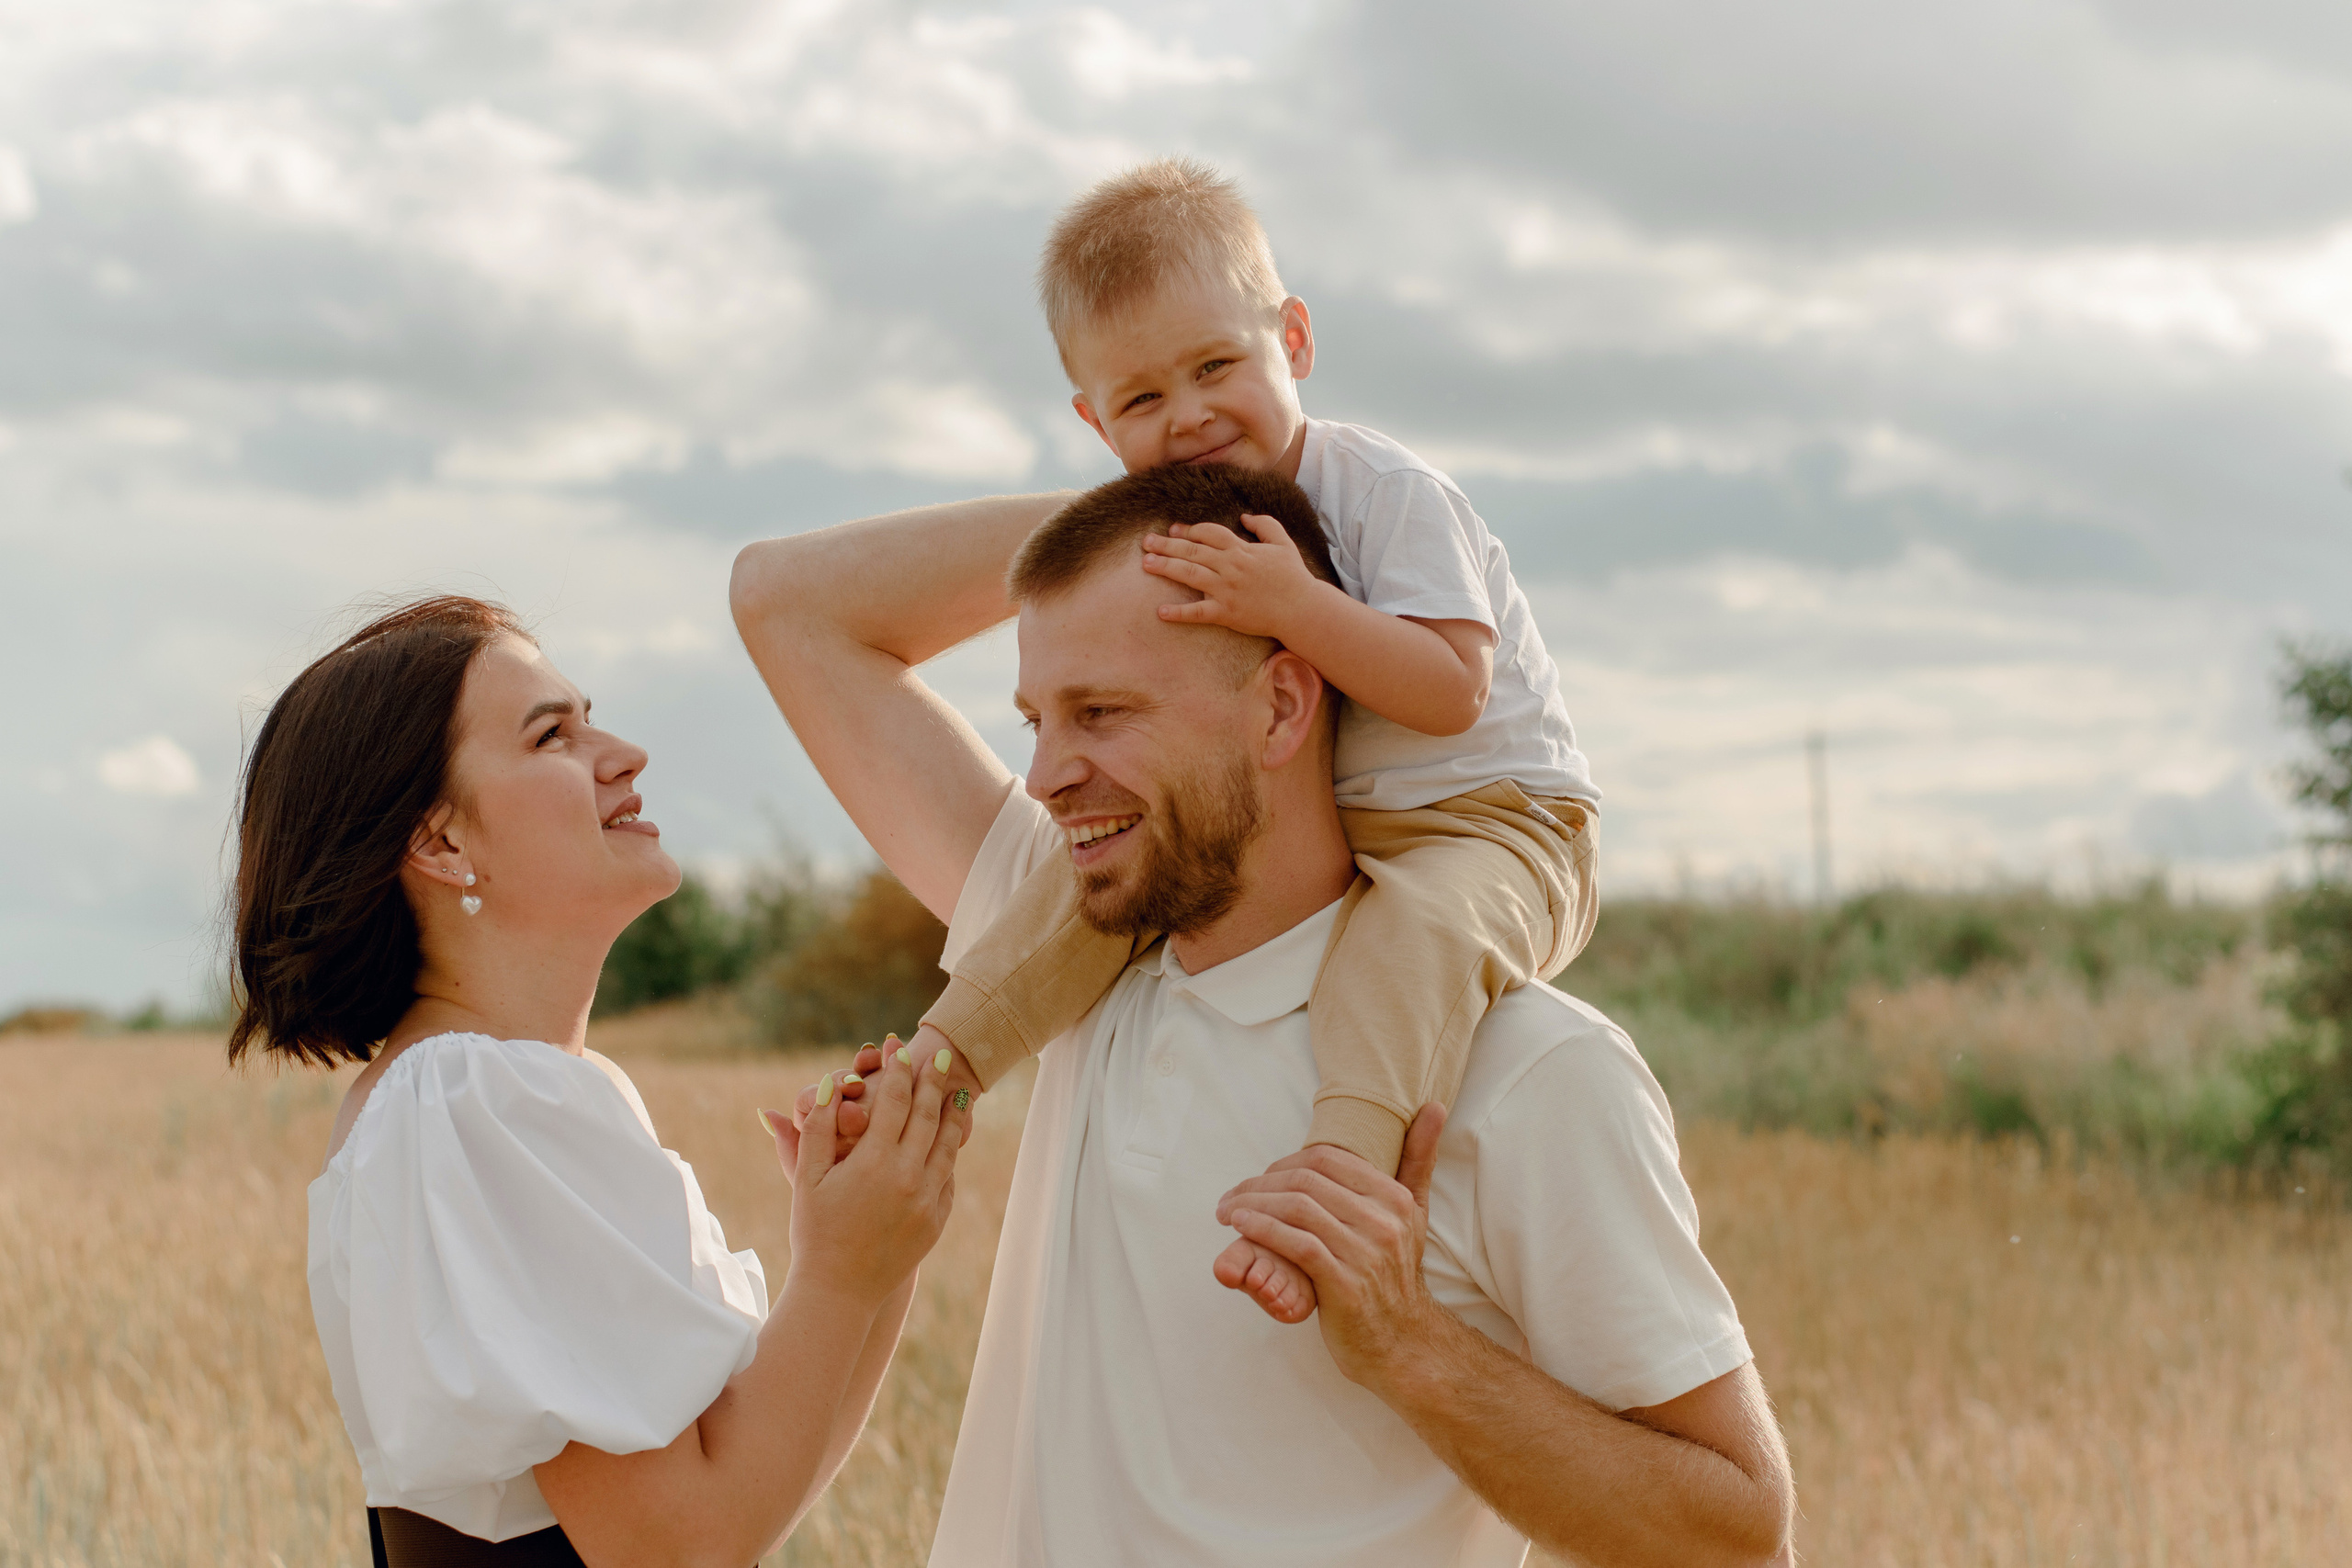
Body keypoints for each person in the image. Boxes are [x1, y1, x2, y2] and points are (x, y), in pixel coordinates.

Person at [731, 468, 1796, 1565]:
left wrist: (1412, 1349)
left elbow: (1738, 1533)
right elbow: (785, 601)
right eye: (1036, 721)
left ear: (1283, 705)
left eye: (1103, 712)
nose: (1048, 776)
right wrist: (1183, 468)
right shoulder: (1069, 950)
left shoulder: (1529, 1069)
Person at [881, 158, 1601, 1321]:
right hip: (1339, 824)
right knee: (1100, 885)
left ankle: (1345, 1179)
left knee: (1409, 937)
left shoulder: (1384, 491)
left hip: (1497, 820)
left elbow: (1450, 689)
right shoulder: (1183, 531)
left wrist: (1296, 607)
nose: (1190, 416)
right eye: (1142, 400)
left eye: (1216, 366)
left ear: (1294, 340)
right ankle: (935, 1070)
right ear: (1093, 422)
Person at [228, 595, 963, 1567]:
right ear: (441, 843)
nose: (621, 754)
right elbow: (682, 1548)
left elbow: (750, 1503)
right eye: (552, 736)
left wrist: (880, 1245)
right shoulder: (472, 1105)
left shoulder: (514, 1091)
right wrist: (837, 1271)